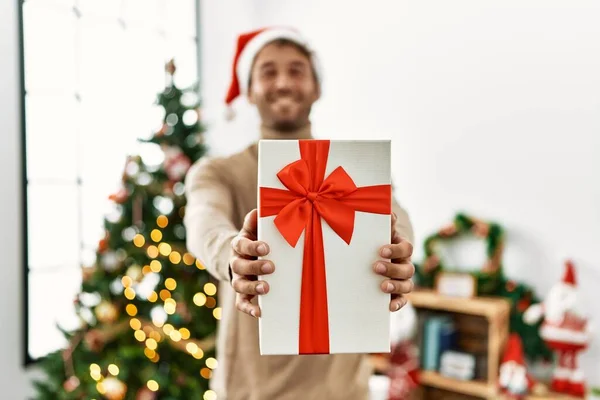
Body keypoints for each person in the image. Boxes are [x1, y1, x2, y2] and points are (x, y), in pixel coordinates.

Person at [184, 26, 415, 400]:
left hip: (341, 388)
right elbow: (204, 223)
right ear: (248, 89)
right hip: (251, 388)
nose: (283, 82)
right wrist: (233, 253)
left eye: (296, 70)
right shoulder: (218, 173)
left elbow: (396, 217)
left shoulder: (354, 170)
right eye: (268, 71)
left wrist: (398, 248)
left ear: (316, 87)